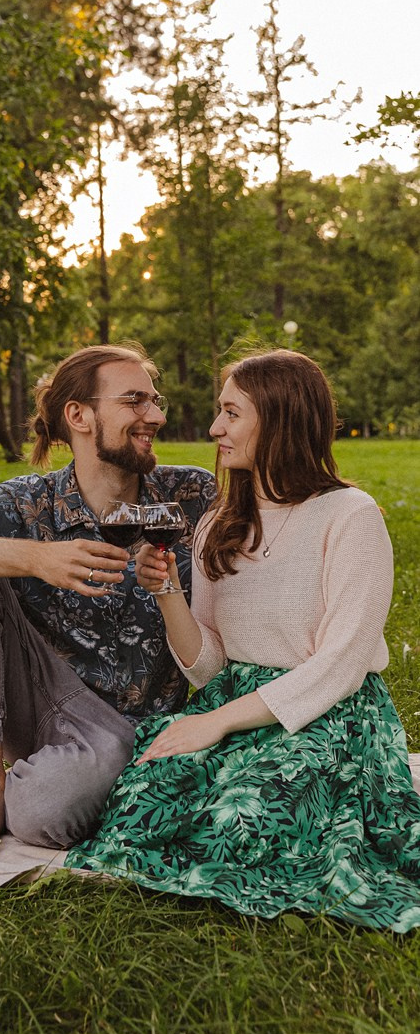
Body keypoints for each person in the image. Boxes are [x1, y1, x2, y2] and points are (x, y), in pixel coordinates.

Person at [67, 348, 420, 932]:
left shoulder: (350, 515)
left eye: (231, 413)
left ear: (279, 418)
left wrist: (219, 721)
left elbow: (343, 664)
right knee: (144, 800)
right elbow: (209, 665)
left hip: (327, 714)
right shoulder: (220, 522)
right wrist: (168, 594)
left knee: (247, 815)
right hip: (233, 697)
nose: (214, 430)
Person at [0, 343, 215, 860]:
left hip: (125, 728)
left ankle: (16, 791)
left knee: (43, 816)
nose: (157, 416)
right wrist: (36, 559)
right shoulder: (30, 502)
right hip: (37, 694)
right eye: (135, 401)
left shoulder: (190, 493)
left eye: (155, 400)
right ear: (79, 415)